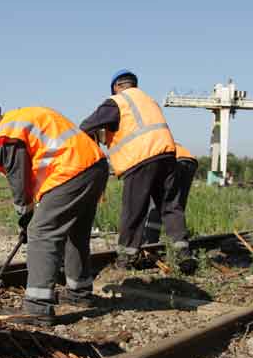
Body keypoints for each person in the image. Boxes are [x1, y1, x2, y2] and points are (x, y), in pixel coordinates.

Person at [0, 104, 108, 324]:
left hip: (71, 170)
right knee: (76, 233)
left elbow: (19, 181)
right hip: (95, 166)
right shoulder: (24, 118)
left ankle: (37, 307)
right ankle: (79, 293)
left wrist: (26, 217)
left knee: (41, 232)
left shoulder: (7, 133)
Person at [79, 69, 193, 269]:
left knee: (134, 210)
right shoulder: (149, 101)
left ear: (116, 87)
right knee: (170, 207)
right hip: (167, 155)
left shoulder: (117, 101)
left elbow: (85, 126)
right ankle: (183, 253)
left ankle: (126, 258)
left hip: (140, 158)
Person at [143, 143, 198, 252]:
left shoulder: (142, 147)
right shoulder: (159, 139)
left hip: (172, 160)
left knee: (156, 205)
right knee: (176, 206)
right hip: (190, 161)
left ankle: (150, 242)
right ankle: (180, 245)